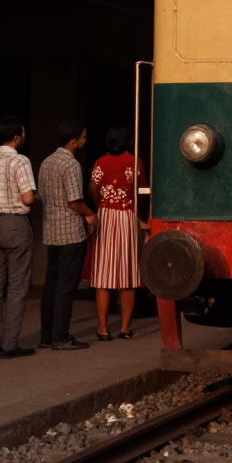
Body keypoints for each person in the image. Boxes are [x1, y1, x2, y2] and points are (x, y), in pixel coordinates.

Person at [0, 116, 37, 358]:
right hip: (15, 224)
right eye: (23, 133)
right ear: (16, 137)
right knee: (17, 286)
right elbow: (28, 199)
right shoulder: (20, 161)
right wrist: (34, 194)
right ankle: (10, 344)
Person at [38, 119, 97, 351]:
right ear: (73, 141)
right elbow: (74, 201)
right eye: (83, 137)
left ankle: (46, 336)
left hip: (51, 231)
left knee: (51, 284)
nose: (84, 140)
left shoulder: (46, 162)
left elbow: (42, 196)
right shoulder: (71, 165)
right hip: (71, 233)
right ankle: (61, 337)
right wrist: (90, 215)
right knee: (66, 286)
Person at [89, 125, 145, 340]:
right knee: (128, 274)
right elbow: (142, 190)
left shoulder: (100, 162)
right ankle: (124, 328)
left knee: (103, 275)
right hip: (127, 216)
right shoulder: (134, 161)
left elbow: (93, 188)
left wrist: (99, 206)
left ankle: (102, 328)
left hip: (105, 216)